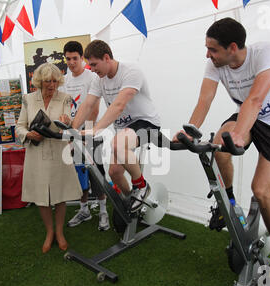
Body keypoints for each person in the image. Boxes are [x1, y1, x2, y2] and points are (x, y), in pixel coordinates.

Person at [173, 18, 270, 286]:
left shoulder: (265, 53)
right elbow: (204, 99)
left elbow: (254, 100)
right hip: (246, 117)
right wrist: (191, 131)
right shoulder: (216, 63)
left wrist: (240, 135)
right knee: (219, 147)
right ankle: (226, 203)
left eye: (212, 49)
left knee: (262, 191)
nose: (208, 54)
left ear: (232, 47)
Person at [71, 40, 162, 213]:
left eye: (94, 64)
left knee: (117, 144)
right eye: (90, 66)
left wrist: (96, 129)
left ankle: (141, 186)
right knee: (114, 172)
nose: (92, 69)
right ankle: (132, 200)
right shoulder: (100, 79)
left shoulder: (131, 71)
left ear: (107, 58)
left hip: (147, 123)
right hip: (125, 129)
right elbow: (87, 105)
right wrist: (73, 131)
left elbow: (119, 104)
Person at [16, 63, 82, 254]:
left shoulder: (66, 98)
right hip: (36, 153)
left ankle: (60, 232)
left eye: (55, 81)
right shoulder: (27, 99)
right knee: (41, 196)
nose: (52, 85)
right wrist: (28, 134)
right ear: (39, 81)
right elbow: (20, 126)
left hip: (58, 151)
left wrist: (67, 122)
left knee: (60, 195)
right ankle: (49, 232)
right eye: (47, 81)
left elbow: (68, 123)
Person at [60, 40, 109, 231]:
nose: (71, 62)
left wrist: (82, 133)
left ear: (82, 58)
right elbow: (65, 108)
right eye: (68, 59)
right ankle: (84, 210)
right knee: (79, 175)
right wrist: (68, 129)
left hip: (90, 133)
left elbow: (94, 109)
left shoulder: (92, 77)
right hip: (73, 134)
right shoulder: (64, 81)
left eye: (74, 58)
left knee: (97, 174)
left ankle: (103, 211)